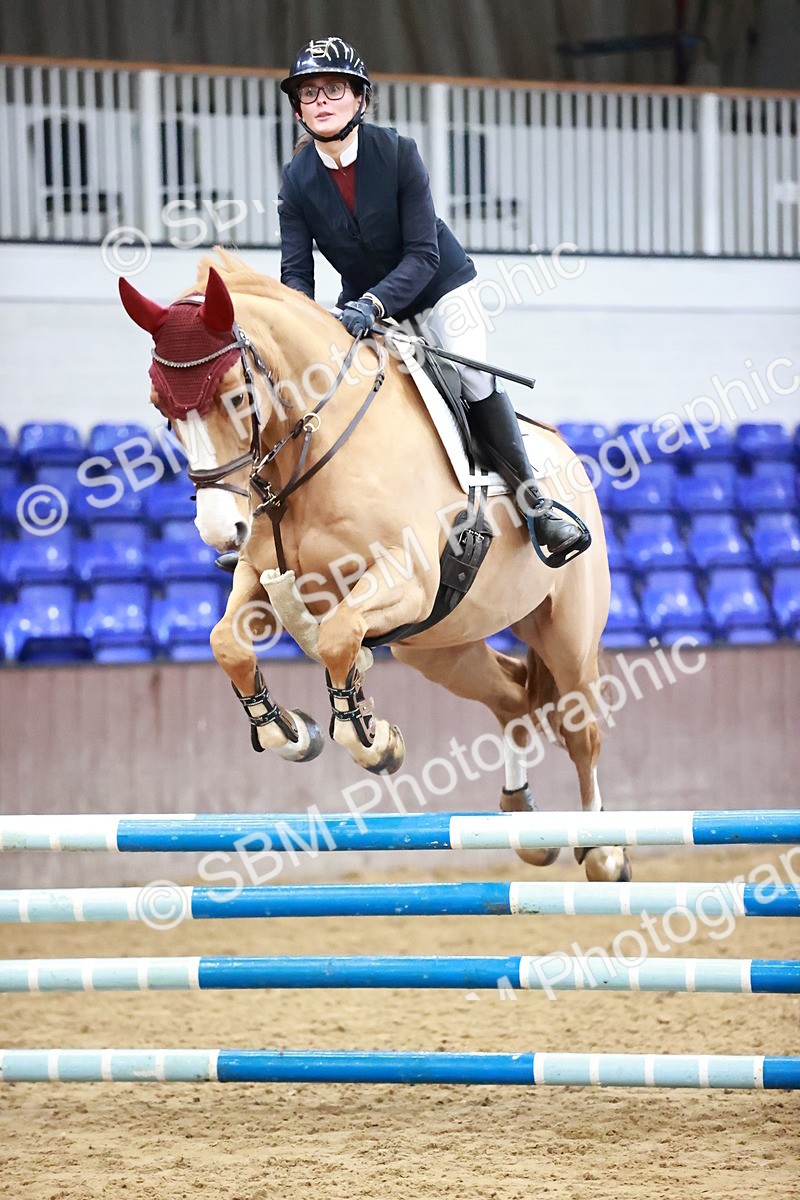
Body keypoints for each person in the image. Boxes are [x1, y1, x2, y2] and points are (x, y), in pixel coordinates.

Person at [277, 36, 588, 564]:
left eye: (333, 89)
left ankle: (534, 504)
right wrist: (297, 332)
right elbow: (295, 275)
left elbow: (422, 254)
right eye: (309, 93)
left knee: (472, 378)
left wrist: (373, 305)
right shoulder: (296, 180)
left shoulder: (398, 153)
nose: (321, 101)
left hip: (440, 284)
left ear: (361, 100)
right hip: (366, 304)